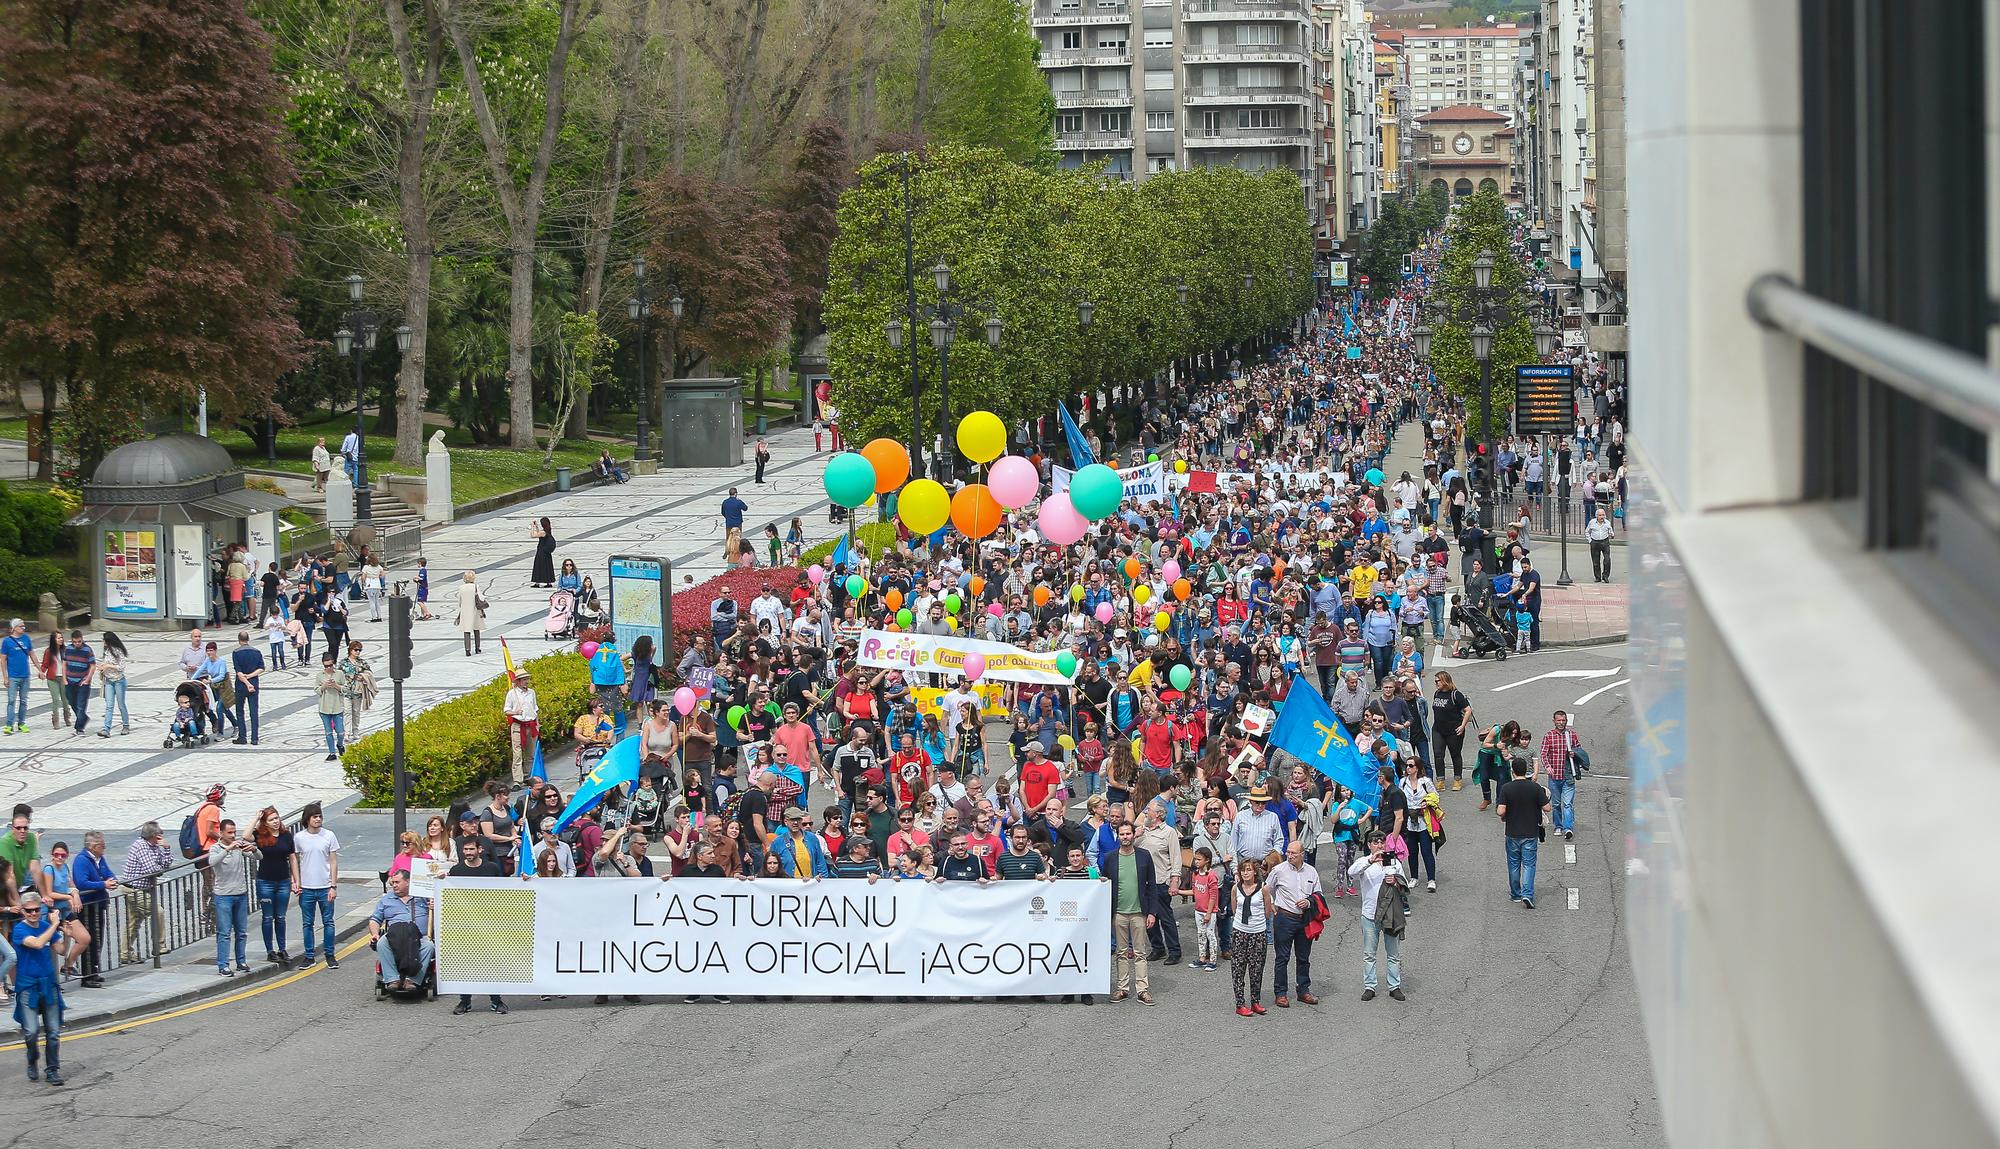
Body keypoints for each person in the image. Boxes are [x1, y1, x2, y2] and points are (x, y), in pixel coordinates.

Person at [447, 838, 509, 1014]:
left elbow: (504, 892)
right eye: (465, 849)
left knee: (492, 963)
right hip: (465, 926)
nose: (468, 852)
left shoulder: (492, 868)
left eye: (471, 849)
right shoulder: (456, 871)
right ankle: (464, 1001)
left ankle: (496, 1001)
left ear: (479, 849)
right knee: (465, 964)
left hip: (490, 925)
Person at [1104, 821, 1162, 1005]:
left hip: (1139, 912)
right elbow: (1106, 886)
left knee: (1140, 952)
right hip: (1118, 913)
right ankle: (1122, 988)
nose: (1125, 837)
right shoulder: (1110, 858)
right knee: (1121, 953)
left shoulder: (1144, 856)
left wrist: (1152, 912)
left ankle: (1142, 990)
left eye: (1128, 833)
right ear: (1118, 836)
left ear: (1133, 835)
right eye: (1122, 834)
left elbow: (1152, 886)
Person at [12, 891, 64, 1085]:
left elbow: (60, 950)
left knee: (53, 1031)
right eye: (29, 911)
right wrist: (55, 925)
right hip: (28, 986)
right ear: (23, 912)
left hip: (48, 983)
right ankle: (32, 1059)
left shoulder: (45, 926)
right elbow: (37, 943)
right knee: (31, 1031)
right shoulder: (19, 930)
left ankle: (52, 1069)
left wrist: (64, 936)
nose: (34, 914)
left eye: (37, 910)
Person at [1349, 830, 1407, 1001]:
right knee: (1369, 953)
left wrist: (1395, 882)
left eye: (1382, 842)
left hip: (1391, 914)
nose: (1379, 845)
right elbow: (1351, 873)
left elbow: (1404, 885)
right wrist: (1370, 860)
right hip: (1370, 915)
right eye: (1375, 842)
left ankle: (1394, 986)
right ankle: (1370, 986)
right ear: (1369, 845)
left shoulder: (1394, 862)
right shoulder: (1364, 862)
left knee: (1393, 954)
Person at [1266, 837, 1324, 1006]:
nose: (1289, 856)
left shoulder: (1311, 872)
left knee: (1303, 957)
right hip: (1285, 918)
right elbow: (1266, 889)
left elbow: (1318, 894)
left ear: (1302, 854)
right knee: (1282, 957)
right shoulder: (1278, 870)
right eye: (1288, 852)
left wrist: (1309, 902)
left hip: (1304, 918)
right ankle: (1281, 993)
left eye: (1293, 853)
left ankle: (1304, 990)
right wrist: (1271, 904)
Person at [208, 818, 258, 976]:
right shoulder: (216, 848)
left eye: (234, 832)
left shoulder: (239, 846)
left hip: (240, 894)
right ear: (221, 833)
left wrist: (254, 849)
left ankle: (241, 961)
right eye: (229, 833)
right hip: (223, 896)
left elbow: (259, 857)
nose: (233, 835)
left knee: (241, 931)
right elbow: (212, 862)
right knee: (224, 932)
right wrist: (228, 849)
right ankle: (223, 965)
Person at [368, 869, 432, 992]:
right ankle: (393, 979)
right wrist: (375, 934)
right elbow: (375, 919)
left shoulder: (422, 897)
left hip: (418, 937)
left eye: (397, 882)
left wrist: (435, 906)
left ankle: (412, 980)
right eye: (392, 883)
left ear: (408, 882)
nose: (394, 885)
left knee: (429, 946)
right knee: (381, 943)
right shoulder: (386, 900)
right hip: (395, 937)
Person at [293, 804, 341, 969]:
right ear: (307, 819)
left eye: (320, 816)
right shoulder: (299, 838)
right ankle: (309, 956)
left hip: (325, 887)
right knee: (307, 923)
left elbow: (333, 861)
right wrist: (296, 881)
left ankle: (330, 954)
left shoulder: (329, 835)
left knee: (328, 922)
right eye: (315, 817)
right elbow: (295, 860)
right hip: (306, 888)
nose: (318, 819)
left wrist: (333, 886)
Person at [1498, 756, 1548, 908]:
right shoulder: (1535, 787)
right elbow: (1547, 808)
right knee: (1529, 864)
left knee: (1513, 864)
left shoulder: (1506, 788)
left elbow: (1501, 811)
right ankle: (1527, 894)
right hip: (1530, 832)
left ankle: (1515, 894)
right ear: (1526, 771)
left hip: (1512, 832)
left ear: (1512, 771)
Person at [119, 822, 173, 964]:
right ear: (154, 835)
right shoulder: (141, 846)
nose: (161, 838)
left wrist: (166, 849)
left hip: (142, 888)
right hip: (133, 889)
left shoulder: (154, 846)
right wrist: (159, 868)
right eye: (159, 835)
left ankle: (125, 953)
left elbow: (165, 865)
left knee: (133, 921)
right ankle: (159, 946)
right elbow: (152, 869)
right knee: (158, 911)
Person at [251, 806, 297, 967]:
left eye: (276, 818)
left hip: (283, 881)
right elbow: (244, 836)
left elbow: (292, 858)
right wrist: (256, 818)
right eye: (271, 820)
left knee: (281, 917)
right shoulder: (260, 835)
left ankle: (282, 949)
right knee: (267, 917)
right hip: (265, 882)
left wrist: (295, 880)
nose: (275, 822)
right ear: (265, 823)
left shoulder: (286, 835)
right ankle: (270, 950)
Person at [1227, 857, 1271, 1016]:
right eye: (1243, 870)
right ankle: (1240, 1003)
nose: (1245, 873)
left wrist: (1257, 924)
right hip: (1240, 932)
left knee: (1256, 968)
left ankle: (1255, 1001)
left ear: (1255, 872)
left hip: (1258, 933)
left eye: (1249, 870)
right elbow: (1234, 909)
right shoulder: (1235, 888)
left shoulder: (1264, 888)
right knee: (1238, 968)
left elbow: (1267, 912)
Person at [72, 832, 115, 988]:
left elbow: (108, 873)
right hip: (88, 906)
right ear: (93, 846)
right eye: (102, 845)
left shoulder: (100, 859)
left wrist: (111, 880)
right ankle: (87, 976)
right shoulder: (81, 861)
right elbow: (82, 883)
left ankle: (94, 971)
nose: (104, 848)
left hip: (99, 904)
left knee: (98, 939)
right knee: (89, 941)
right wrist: (103, 884)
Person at [1538, 709, 1584, 840]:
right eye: (1558, 720)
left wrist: (1574, 753)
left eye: (1563, 720)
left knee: (1568, 803)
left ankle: (1568, 828)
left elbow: (1580, 750)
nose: (1561, 722)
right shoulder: (1549, 735)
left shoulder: (1571, 735)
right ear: (1554, 721)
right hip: (1554, 777)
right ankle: (1558, 825)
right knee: (1557, 803)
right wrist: (1547, 766)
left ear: (1566, 721)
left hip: (1568, 776)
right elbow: (1543, 753)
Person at [230, 630, 265, 745]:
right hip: (254, 683)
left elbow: (239, 672)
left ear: (239, 640)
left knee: (240, 711)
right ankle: (254, 738)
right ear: (248, 639)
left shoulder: (236, 653)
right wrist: (250, 678)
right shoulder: (257, 652)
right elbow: (261, 668)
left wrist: (246, 680)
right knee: (254, 711)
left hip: (241, 685)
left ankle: (242, 736)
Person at [93, 631, 129, 737]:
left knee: (121, 704)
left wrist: (108, 666)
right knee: (109, 705)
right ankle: (106, 729)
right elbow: (107, 662)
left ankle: (126, 725)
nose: (103, 642)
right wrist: (102, 666)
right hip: (108, 680)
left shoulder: (118, 651)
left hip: (119, 681)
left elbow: (121, 667)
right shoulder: (107, 651)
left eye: (104, 640)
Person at [1, 618, 32, 733]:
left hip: (25, 675)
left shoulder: (26, 639)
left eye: (24, 626)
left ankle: (21, 723)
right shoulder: (7, 642)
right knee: (11, 700)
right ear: (14, 628)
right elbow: (3, 660)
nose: (23, 628)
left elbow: (32, 654)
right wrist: (5, 677)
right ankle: (9, 724)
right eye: (21, 626)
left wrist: (40, 669)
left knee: (23, 700)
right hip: (13, 676)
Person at [59, 630, 93, 735]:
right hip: (70, 680)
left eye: (79, 641)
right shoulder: (68, 649)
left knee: (81, 705)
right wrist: (64, 679)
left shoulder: (87, 650)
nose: (77, 644)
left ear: (82, 639)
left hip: (82, 682)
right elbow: (64, 664)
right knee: (72, 702)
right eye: (75, 642)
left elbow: (92, 665)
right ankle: (83, 718)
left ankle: (79, 728)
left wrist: (87, 679)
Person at [1585, 506, 1615, 582]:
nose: (1602, 517)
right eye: (1600, 515)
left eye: (1603, 515)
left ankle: (1605, 576)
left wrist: (1612, 534)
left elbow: (1611, 531)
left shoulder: (1607, 522)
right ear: (1596, 516)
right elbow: (1587, 532)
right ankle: (1597, 577)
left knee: (1607, 560)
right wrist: (1590, 541)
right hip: (1595, 542)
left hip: (1605, 542)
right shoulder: (1592, 522)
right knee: (1595, 561)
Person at [529, 517, 556, 588]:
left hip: (541, 552)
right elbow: (539, 535)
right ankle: (548, 582)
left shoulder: (543, 532)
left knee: (539, 566)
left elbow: (533, 535)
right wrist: (536, 526)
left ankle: (537, 582)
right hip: (546, 553)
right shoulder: (548, 531)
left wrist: (532, 526)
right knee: (547, 566)